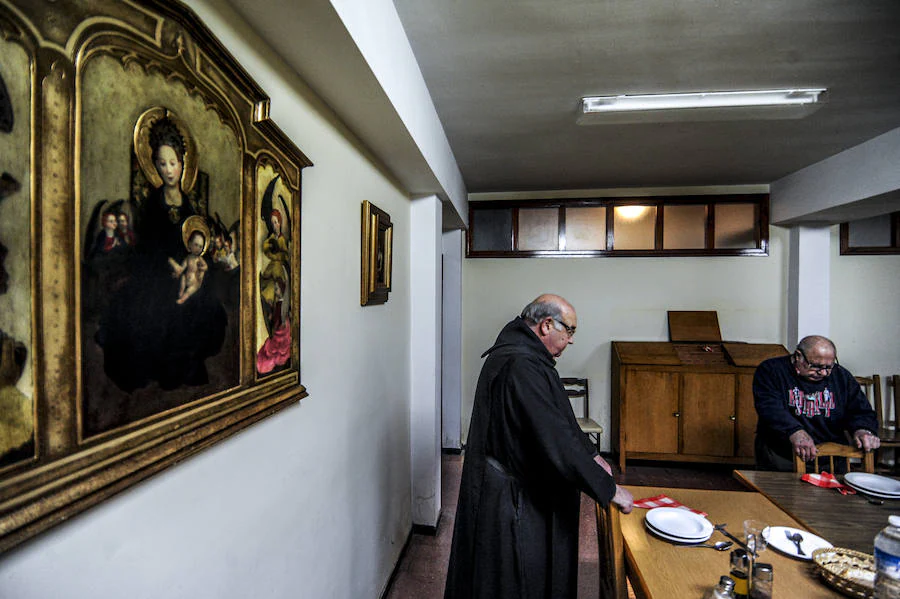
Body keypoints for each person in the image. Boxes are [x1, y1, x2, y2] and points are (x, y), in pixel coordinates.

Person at [444, 294, 633, 599]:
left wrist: (592, 453)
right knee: (517, 580)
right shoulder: (521, 364)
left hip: (514, 491)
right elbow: (553, 435)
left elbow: (559, 416)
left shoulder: (525, 356)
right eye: (569, 331)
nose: (570, 340)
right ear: (546, 325)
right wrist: (608, 489)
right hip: (511, 502)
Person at [753, 334, 880, 471]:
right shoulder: (771, 370)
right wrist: (795, 431)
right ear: (798, 356)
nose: (824, 373)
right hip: (781, 455)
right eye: (816, 366)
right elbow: (770, 409)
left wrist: (863, 429)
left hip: (831, 457)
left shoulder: (841, 376)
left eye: (829, 367)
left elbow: (861, 410)